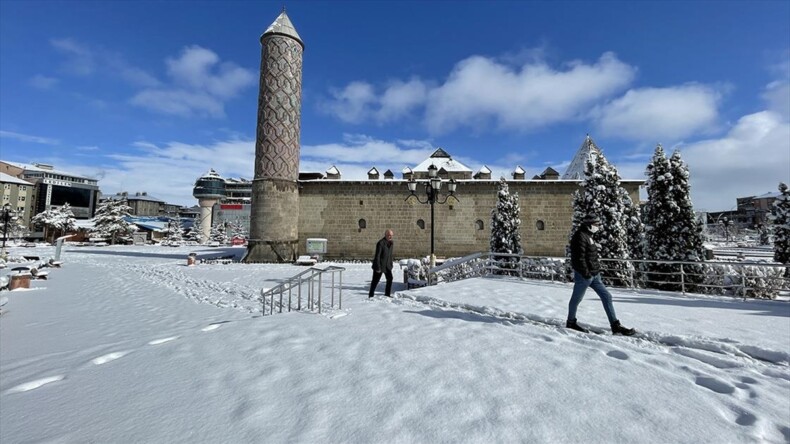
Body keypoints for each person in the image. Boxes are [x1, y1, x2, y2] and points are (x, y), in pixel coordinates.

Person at [567, 215, 635, 335]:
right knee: (576, 299)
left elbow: (590, 256)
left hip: (594, 275)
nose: (598, 227)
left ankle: (615, 325)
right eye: (596, 224)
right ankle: (571, 322)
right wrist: (586, 273)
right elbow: (578, 258)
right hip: (584, 276)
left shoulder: (588, 236)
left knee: (607, 296)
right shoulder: (580, 237)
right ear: (589, 225)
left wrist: (596, 271)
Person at [369, 229, 394, 298]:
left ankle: (387, 294)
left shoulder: (391, 243)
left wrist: (391, 264)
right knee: (375, 281)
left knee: (390, 278)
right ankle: (371, 295)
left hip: (387, 266)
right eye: (389, 235)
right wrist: (378, 267)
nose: (390, 237)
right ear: (385, 235)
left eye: (391, 235)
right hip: (379, 265)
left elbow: (390, 255)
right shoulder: (381, 243)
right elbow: (377, 256)